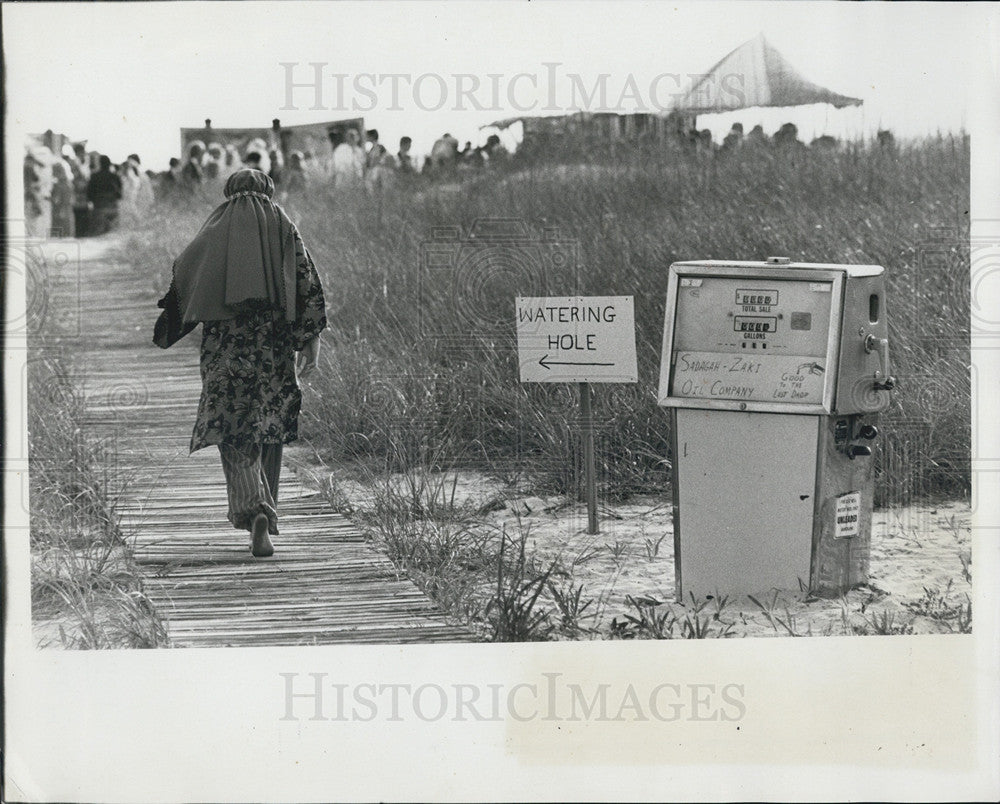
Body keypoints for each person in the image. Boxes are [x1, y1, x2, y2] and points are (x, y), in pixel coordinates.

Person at [153, 169, 327, 557]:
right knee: (268, 424)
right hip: (273, 348)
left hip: (226, 349)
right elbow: (307, 283)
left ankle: (254, 508)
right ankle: (266, 513)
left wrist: (170, 322)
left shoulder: (216, 227)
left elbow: (186, 271)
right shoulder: (284, 226)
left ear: (229, 192)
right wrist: (310, 340)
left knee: (231, 425)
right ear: (269, 190)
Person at [86, 155, 122, 235]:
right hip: (113, 207)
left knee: (99, 234)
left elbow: (90, 193)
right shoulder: (115, 177)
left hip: (99, 207)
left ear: (100, 164)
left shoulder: (94, 176)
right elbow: (120, 194)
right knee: (112, 233)